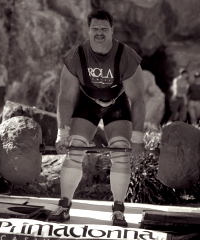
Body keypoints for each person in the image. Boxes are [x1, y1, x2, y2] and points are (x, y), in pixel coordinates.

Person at [49, 9, 145, 227]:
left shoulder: (126, 56)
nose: (99, 33)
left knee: (121, 151)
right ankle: (64, 206)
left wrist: (138, 139)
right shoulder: (76, 56)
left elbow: (138, 99)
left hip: (116, 104)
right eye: (95, 29)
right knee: (74, 149)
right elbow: (65, 98)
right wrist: (61, 133)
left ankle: (118, 210)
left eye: (104, 29)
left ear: (112, 30)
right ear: (88, 30)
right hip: (87, 103)